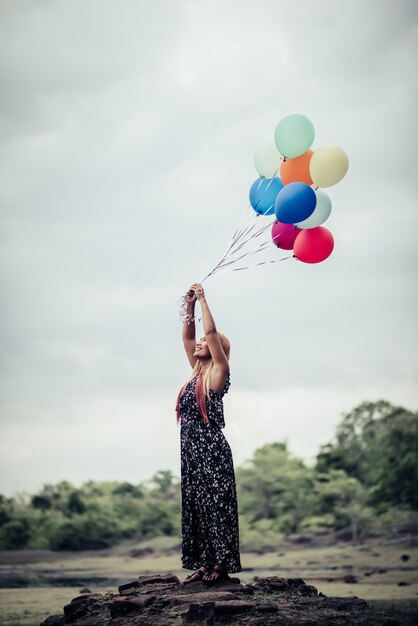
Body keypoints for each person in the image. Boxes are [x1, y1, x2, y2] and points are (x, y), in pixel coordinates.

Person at [176, 282, 243, 584]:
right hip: (190, 450)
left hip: (211, 449)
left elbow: (212, 335)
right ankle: (205, 563)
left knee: (217, 506)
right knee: (198, 506)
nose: (200, 342)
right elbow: (188, 336)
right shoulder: (196, 372)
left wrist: (204, 300)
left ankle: (221, 564)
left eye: (206, 341)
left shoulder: (218, 373)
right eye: (200, 341)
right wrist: (188, 306)